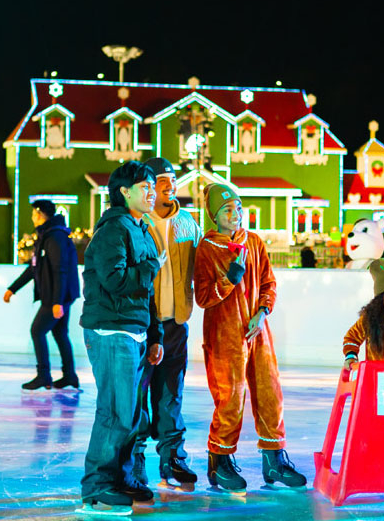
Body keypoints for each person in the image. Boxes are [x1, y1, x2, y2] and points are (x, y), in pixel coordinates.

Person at [194, 183, 306, 493]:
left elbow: (269, 283)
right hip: (224, 334)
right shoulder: (207, 248)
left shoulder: (254, 242)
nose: (236, 214)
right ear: (215, 216)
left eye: (239, 208)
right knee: (230, 397)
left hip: (258, 331)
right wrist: (229, 279)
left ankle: (274, 460)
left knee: (269, 392)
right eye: (228, 210)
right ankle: (219, 462)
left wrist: (262, 312)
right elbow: (203, 298)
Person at [78, 161, 165, 515]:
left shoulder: (141, 229)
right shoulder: (114, 229)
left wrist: (155, 333)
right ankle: (97, 487)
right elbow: (114, 280)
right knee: (115, 411)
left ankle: (121, 477)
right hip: (111, 330)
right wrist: (150, 267)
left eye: (153, 186)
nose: (152, 192)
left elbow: (147, 292)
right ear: (124, 192)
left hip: (135, 331)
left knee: (131, 412)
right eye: (145, 186)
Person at [132, 157, 202, 489]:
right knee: (137, 393)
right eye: (161, 179)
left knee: (172, 393)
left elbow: (203, 267)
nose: (169, 184)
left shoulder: (188, 223)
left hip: (176, 322)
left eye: (172, 179)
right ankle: (134, 459)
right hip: (141, 324)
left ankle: (172, 457)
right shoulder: (137, 222)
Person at [4, 199, 81, 391]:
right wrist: (13, 288)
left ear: (39, 214)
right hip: (58, 294)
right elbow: (34, 267)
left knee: (37, 330)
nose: (32, 217)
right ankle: (69, 375)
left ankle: (44, 375)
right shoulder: (48, 235)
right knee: (60, 333)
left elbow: (60, 269)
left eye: (33, 213)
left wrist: (57, 301)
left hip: (56, 296)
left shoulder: (55, 237)